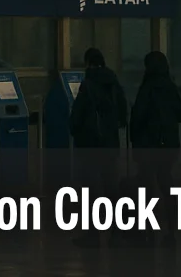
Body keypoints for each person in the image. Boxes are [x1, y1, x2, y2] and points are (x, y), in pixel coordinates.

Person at [69, 47, 128, 247]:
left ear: (88, 64)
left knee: (91, 190)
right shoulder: (113, 82)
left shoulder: (88, 85)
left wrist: (75, 130)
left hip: (90, 144)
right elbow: (123, 112)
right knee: (111, 187)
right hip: (110, 143)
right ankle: (117, 232)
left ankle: (93, 234)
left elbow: (77, 115)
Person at [129, 51, 181, 241]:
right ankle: (172, 229)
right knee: (166, 184)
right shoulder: (170, 86)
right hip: (169, 145)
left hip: (149, 145)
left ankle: (147, 229)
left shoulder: (148, 88)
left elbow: (138, 117)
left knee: (146, 187)